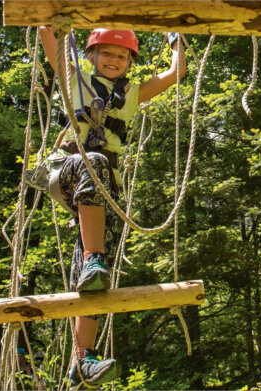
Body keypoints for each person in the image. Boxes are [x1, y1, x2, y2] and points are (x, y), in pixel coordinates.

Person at [37, 26, 186, 388]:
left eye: (122, 56)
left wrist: (175, 35)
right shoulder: (74, 77)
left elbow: (177, 72)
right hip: (69, 172)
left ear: (130, 62)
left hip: (105, 192)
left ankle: (82, 359)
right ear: (91, 55)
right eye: (106, 53)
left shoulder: (131, 93)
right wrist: (56, 17)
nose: (114, 60)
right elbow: (46, 33)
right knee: (95, 163)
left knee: (94, 283)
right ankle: (93, 258)